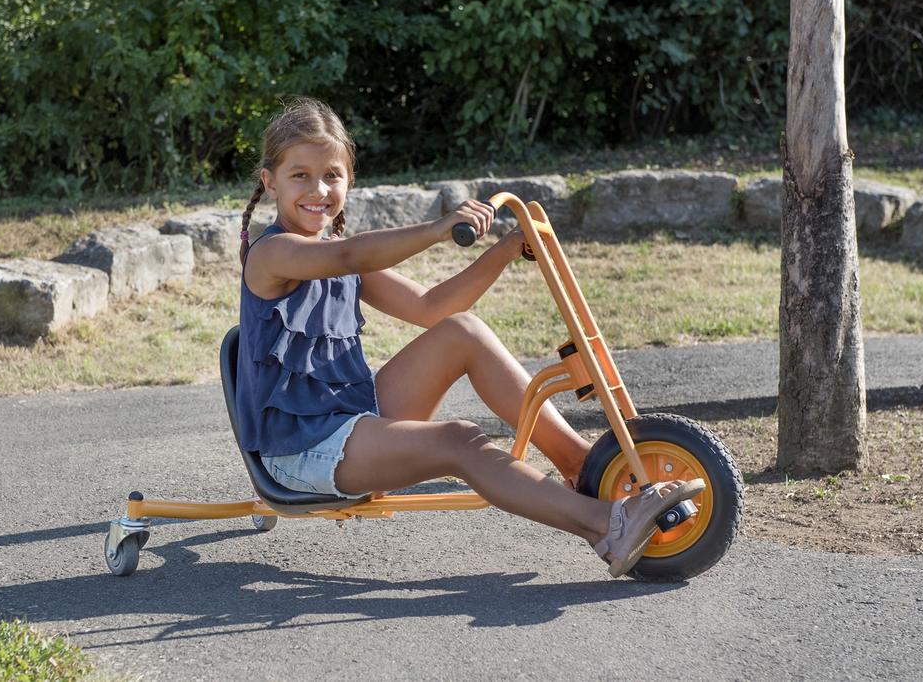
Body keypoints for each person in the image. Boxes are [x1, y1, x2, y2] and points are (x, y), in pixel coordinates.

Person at [236, 97, 703, 577]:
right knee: (460, 440)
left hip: (351, 419)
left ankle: (586, 468)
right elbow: (349, 256)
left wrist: (507, 249)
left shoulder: (337, 252)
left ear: (349, 180)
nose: (319, 189)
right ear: (270, 181)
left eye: (332, 175)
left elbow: (432, 308)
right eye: (300, 175)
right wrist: (440, 229)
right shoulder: (273, 255)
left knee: (463, 330)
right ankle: (607, 524)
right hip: (302, 448)